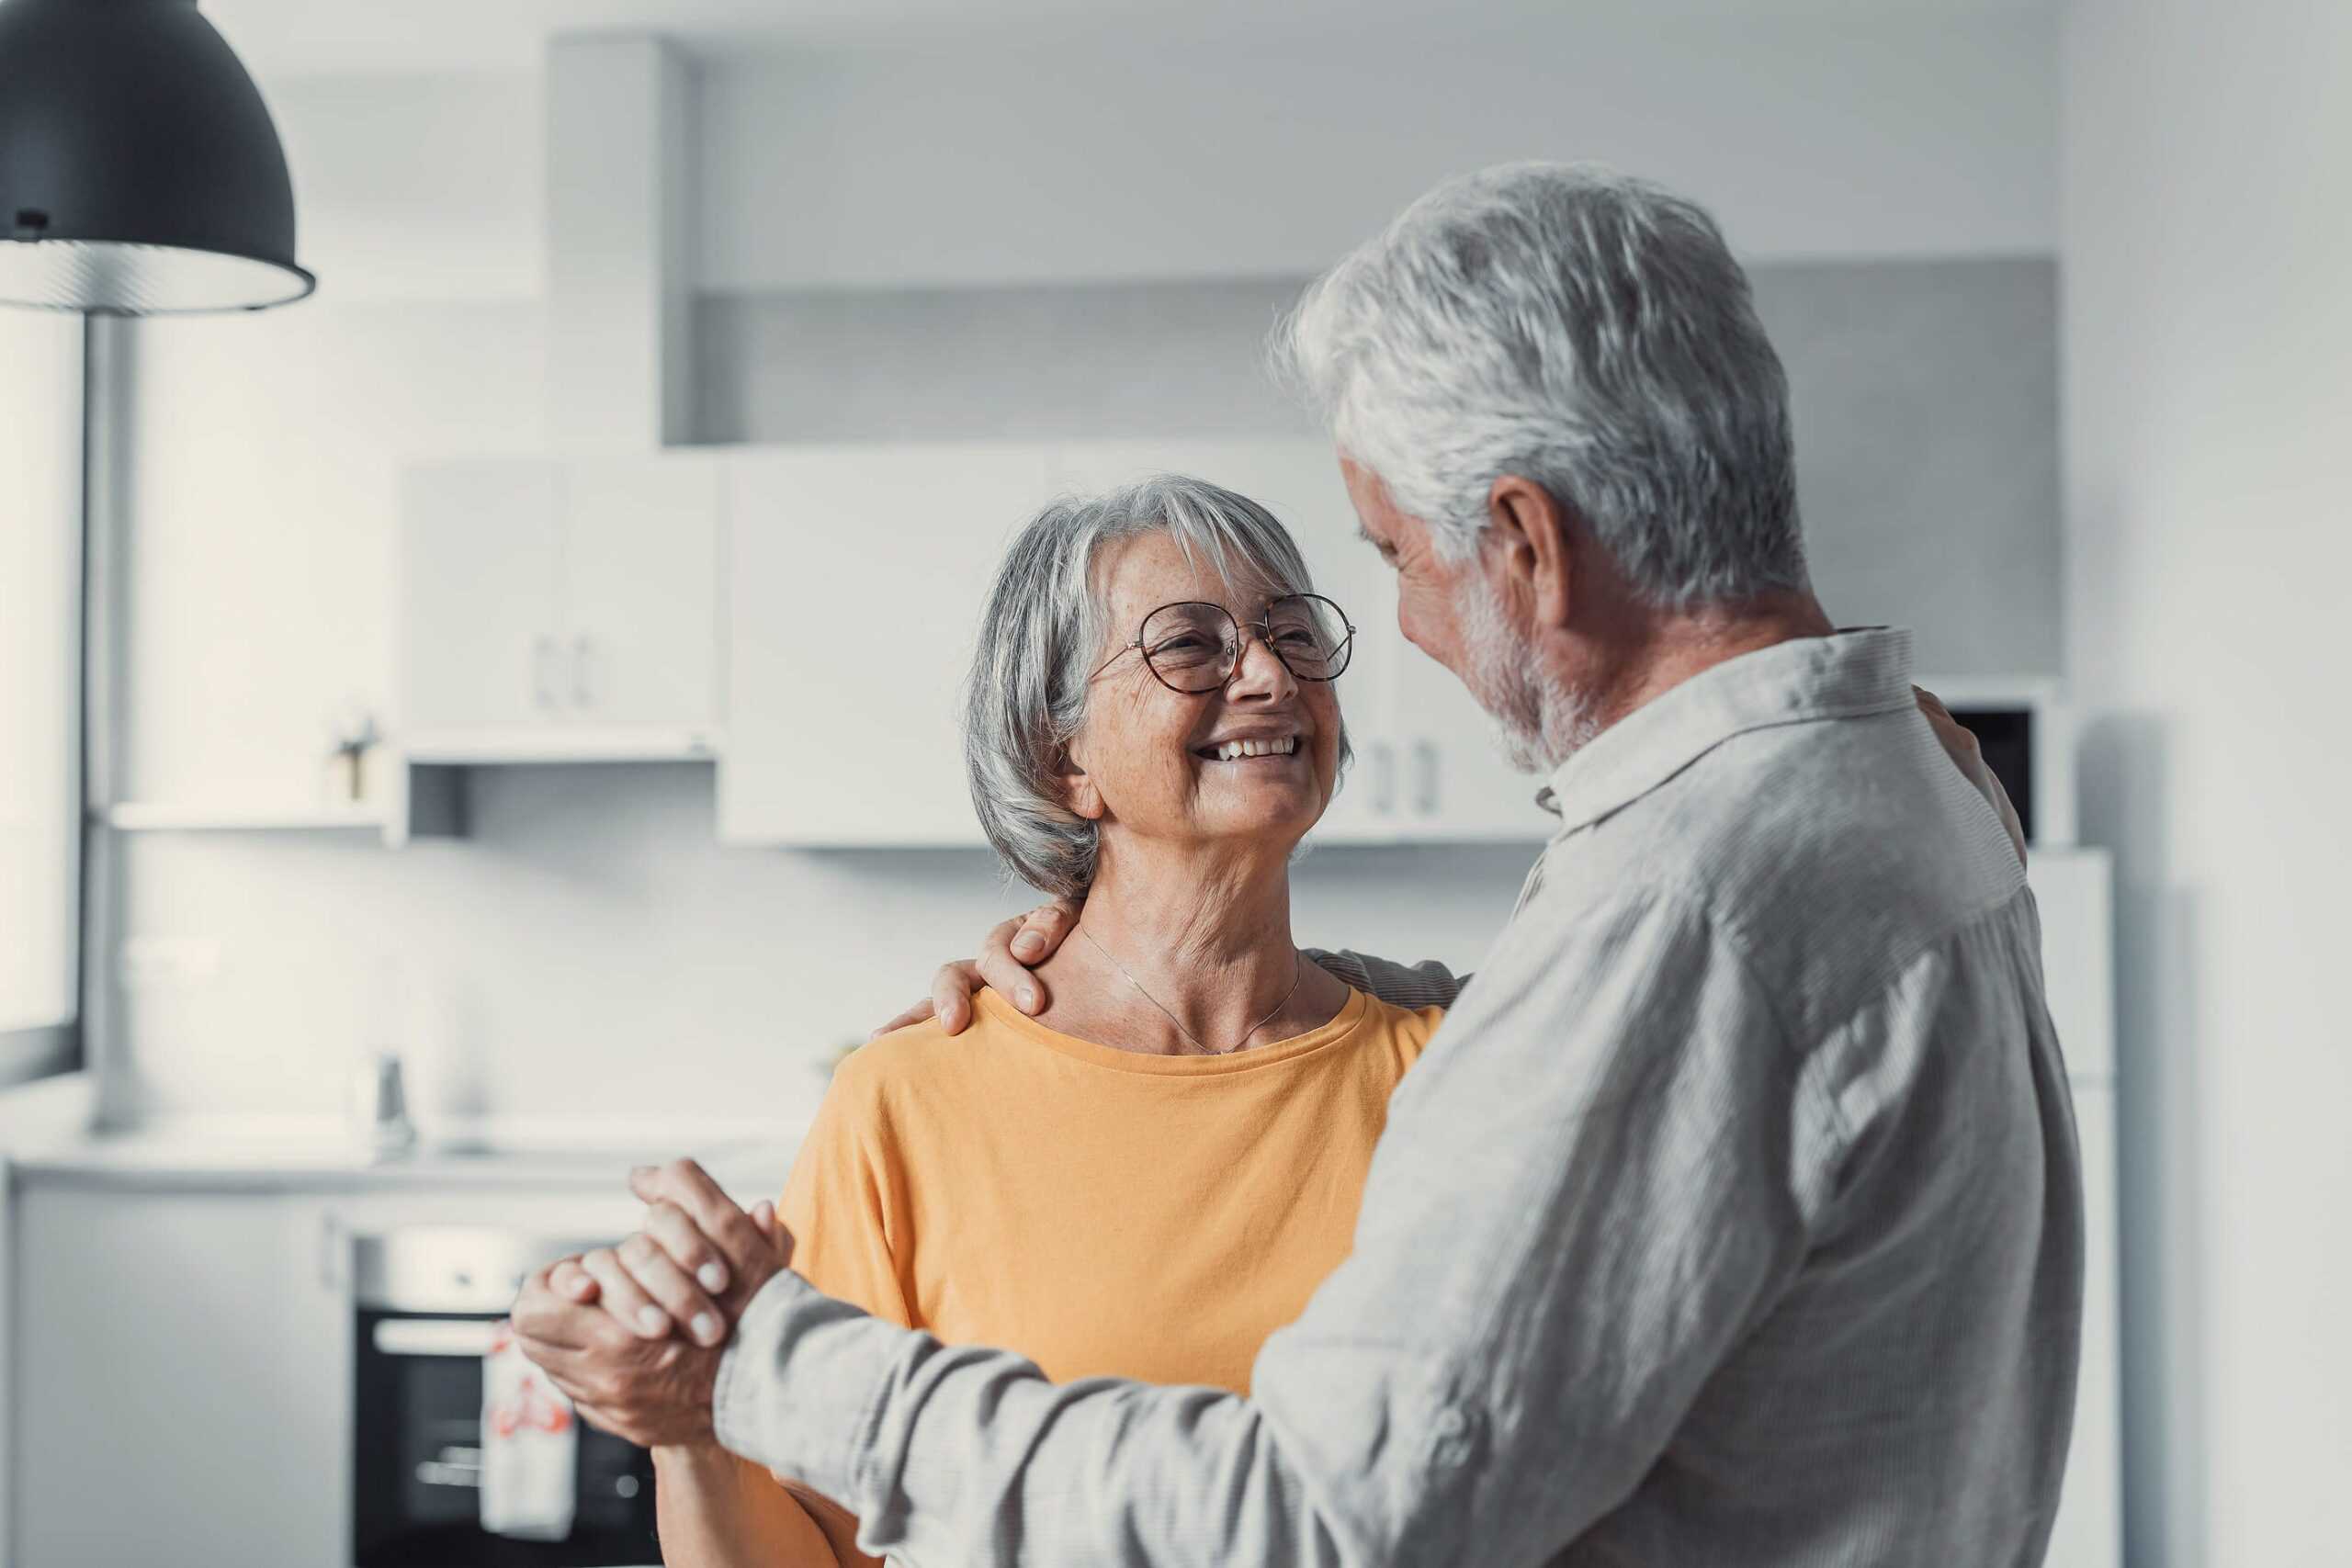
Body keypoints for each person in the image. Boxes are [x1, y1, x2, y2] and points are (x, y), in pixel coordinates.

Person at [514, 163, 2082, 1568]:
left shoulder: (1682, 909)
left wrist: (754, 1362)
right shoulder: (1907, 774)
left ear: (1527, 546)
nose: (1380, 631)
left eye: (1388, 562)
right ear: (1062, 751)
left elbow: (1324, 1522)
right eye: (1194, 646)